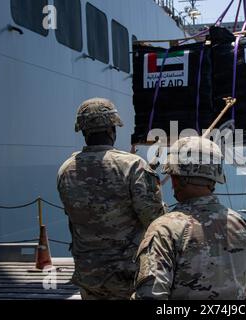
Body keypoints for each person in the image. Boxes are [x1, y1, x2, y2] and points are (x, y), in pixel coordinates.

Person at [57, 98, 165, 300]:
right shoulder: (133, 166)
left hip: (88, 274)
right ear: (111, 130)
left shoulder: (65, 169)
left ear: (83, 131)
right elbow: (155, 220)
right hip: (128, 275)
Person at [132, 136, 246, 300]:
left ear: (176, 179)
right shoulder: (243, 226)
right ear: (214, 180)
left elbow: (150, 295)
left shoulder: (164, 229)